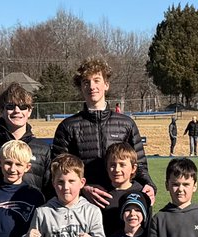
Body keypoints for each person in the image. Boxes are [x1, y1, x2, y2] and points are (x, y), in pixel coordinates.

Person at [52, 58, 155, 208]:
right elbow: (57, 170)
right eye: (86, 82)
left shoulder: (126, 124)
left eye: (96, 80)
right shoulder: (67, 126)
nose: (91, 86)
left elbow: (139, 165)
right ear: (81, 87)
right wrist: (83, 189)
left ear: (106, 84)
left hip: (120, 204)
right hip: (83, 206)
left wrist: (149, 185)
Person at [0, 82, 51, 195]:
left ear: (29, 111)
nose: (17, 110)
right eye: (10, 106)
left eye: (23, 107)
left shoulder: (44, 149)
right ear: (1, 111)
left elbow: (50, 190)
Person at [100, 141, 140, 237]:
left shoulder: (141, 193)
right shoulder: (101, 194)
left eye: (122, 165)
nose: (117, 169)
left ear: (133, 168)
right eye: (112, 165)